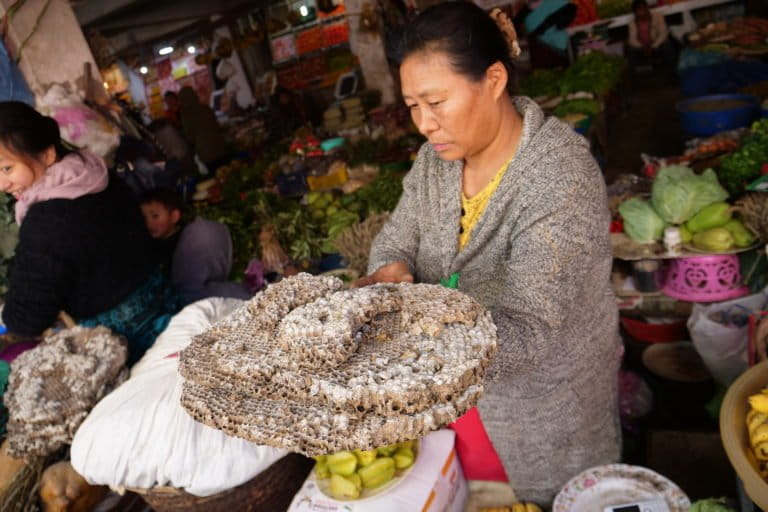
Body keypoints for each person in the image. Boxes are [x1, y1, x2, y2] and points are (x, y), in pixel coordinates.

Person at [354, 2, 621, 505]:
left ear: (494, 79)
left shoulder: (558, 177)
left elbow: (530, 327)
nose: (424, 124)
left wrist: (416, 335)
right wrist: (390, 272)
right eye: (412, 105)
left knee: (547, 498)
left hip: (546, 410)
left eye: (436, 102)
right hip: (462, 403)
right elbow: (395, 238)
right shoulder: (436, 162)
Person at [0, 101, 178, 366]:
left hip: (131, 343)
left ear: (47, 155)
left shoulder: (46, 219)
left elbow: (28, 316)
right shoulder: (97, 174)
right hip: (166, 305)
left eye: (7, 168)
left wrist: (6, 315)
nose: (2, 184)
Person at [139, 187, 251, 305]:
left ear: (174, 216)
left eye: (155, 216)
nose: (149, 223)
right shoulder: (154, 247)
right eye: (144, 218)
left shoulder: (188, 239)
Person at [177, 86, 230, 172]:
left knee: (219, 175)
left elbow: (190, 137)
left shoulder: (186, 116)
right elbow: (217, 126)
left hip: (206, 153)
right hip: (220, 146)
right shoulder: (206, 108)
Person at [627, 0, 675, 69]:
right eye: (639, 9)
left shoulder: (657, 16)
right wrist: (643, 47)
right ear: (635, 12)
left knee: (667, 44)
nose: (643, 11)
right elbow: (632, 40)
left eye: (644, 8)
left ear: (647, 8)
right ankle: (633, 71)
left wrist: (653, 46)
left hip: (655, 42)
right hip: (642, 46)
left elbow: (663, 32)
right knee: (631, 49)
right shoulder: (632, 22)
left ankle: (672, 67)